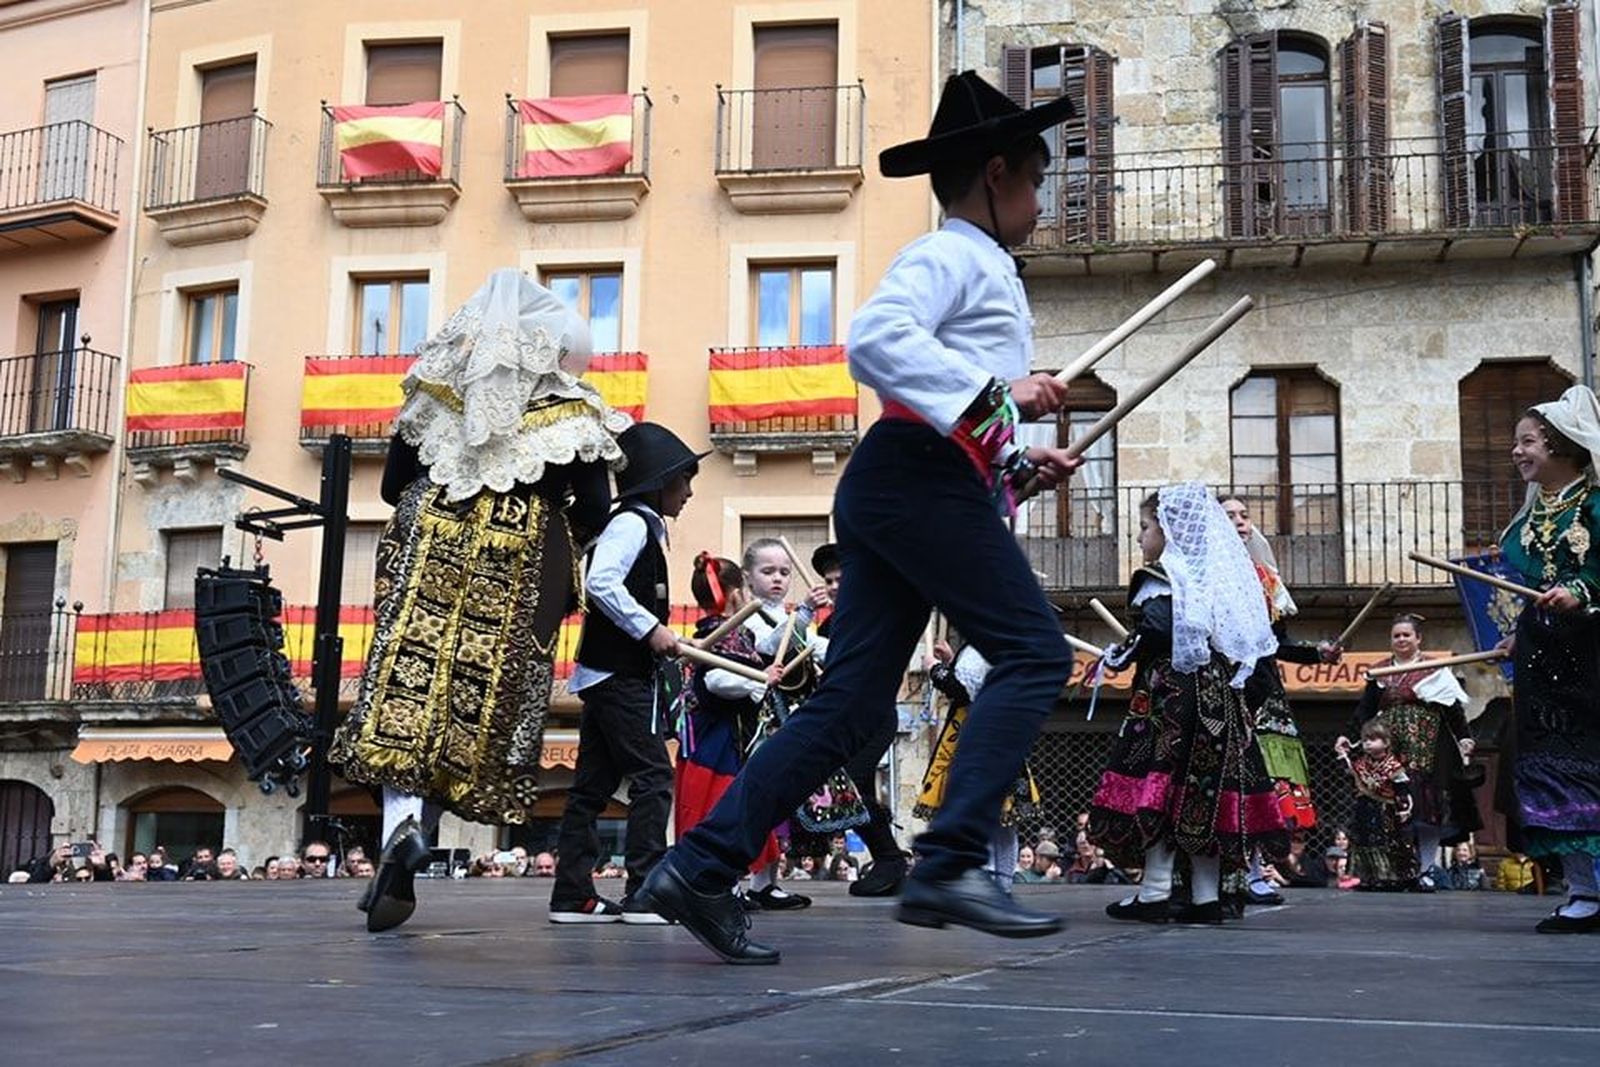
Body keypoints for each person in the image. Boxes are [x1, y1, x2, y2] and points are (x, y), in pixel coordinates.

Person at [637, 70, 1081, 964]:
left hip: (907, 480)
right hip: (913, 483)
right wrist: (1001, 398)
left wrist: (1009, 453)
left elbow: (949, 410)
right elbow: (875, 341)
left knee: (847, 706)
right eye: (1036, 180)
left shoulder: (980, 263)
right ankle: (952, 859)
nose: (1042, 201)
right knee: (1034, 652)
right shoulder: (952, 254)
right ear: (995, 174)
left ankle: (699, 865)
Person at [333, 269, 628, 933]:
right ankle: (411, 837)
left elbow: (390, 491)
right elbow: (601, 508)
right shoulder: (573, 414)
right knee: (476, 718)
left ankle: (401, 830)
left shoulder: (432, 401)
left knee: (406, 701)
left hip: (428, 564)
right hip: (522, 574)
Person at [1090, 485, 1286, 926]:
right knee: (1205, 793)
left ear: (1169, 530)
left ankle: (1156, 891)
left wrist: (1124, 651)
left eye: (1144, 527)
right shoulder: (1222, 579)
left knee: (1158, 787)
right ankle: (1205, 899)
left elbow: (1159, 629)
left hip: (1173, 699)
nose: (1140, 538)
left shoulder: (1163, 578)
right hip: (1220, 701)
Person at [549, 422, 704, 926]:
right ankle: (645, 892)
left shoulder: (638, 525)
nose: (689, 491)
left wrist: (667, 639)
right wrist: (650, 630)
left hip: (607, 674)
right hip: (617, 675)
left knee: (590, 790)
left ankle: (572, 896)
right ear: (660, 482)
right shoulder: (632, 523)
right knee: (654, 778)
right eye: (684, 480)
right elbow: (601, 583)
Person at [1500, 387, 1600, 932]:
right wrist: (1523, 632)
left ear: (1562, 445)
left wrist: (1582, 591)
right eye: (1517, 442)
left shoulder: (1596, 505)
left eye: (1528, 441)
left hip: (1592, 649)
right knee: (1553, 770)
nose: (1517, 452)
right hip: (1545, 657)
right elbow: (1534, 584)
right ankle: (1584, 892)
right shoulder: (1535, 514)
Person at [1222, 496, 1340, 907]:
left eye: (1244, 515)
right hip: (1220, 692)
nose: (1239, 522)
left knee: (1265, 785)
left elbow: (1279, 644)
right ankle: (1219, 875)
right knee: (1223, 784)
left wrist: (1317, 653)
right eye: (1229, 516)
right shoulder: (1204, 577)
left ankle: (1254, 873)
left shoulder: (1266, 581)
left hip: (1264, 693)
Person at [672, 553, 798, 908]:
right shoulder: (716, 632)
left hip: (734, 736)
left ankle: (750, 885)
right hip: (714, 741)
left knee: (742, 808)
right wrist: (760, 681)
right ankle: (717, 887)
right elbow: (716, 680)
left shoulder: (736, 631)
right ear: (735, 593)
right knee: (717, 810)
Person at [1339, 613, 1481, 891]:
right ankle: (1391, 872)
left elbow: (1452, 708)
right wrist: (1348, 735)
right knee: (1388, 812)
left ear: (1418, 639)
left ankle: (1425, 870)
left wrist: (1464, 737)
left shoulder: (1437, 668)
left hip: (1429, 749)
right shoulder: (1380, 671)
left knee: (1426, 812)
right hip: (1388, 751)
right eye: (1396, 635)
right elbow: (1365, 710)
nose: (1401, 639)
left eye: (1406, 635)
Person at [812, 541, 913, 897]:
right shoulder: (826, 626)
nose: (835, 585)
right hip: (846, 717)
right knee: (860, 789)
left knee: (851, 785)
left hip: (874, 714)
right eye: (829, 580)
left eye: (842, 578)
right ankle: (888, 861)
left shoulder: (873, 613)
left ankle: (890, 858)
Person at [916, 638, 1042, 892]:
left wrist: (934, 669)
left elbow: (963, 690)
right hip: (991, 730)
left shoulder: (990, 639)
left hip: (982, 732)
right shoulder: (990, 638)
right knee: (997, 818)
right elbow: (976, 681)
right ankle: (998, 885)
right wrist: (951, 661)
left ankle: (991, 884)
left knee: (986, 812)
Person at [1342, 721, 1417, 891]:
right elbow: (1351, 777)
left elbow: (1402, 790)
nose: (1368, 743)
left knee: (1387, 842)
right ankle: (1368, 876)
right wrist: (1343, 756)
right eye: (1365, 739)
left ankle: (1389, 876)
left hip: (1385, 810)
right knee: (1363, 841)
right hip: (1364, 808)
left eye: (1374, 739)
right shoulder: (1361, 763)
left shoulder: (1393, 766)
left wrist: (1404, 808)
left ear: (1386, 742)